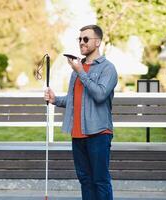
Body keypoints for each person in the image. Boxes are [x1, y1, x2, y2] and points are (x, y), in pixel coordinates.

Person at [44, 24, 118, 200]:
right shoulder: (77, 70)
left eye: (86, 39)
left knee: (100, 180)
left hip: (98, 132)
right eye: (80, 39)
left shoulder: (107, 68)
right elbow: (74, 99)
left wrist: (80, 72)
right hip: (78, 133)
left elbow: (99, 95)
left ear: (98, 42)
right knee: (85, 180)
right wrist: (55, 100)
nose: (82, 43)